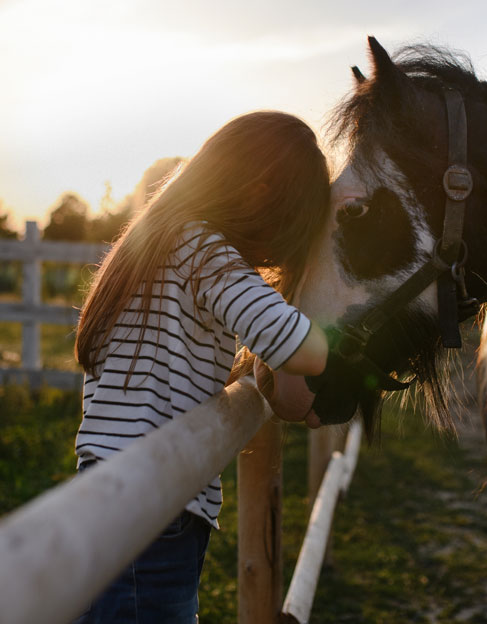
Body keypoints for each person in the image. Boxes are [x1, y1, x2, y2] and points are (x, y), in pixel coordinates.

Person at [72, 111, 330, 623]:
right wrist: (318, 325)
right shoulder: (205, 249)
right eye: (289, 229)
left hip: (99, 493)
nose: (277, 254)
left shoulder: (150, 244)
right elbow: (304, 348)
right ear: (258, 195)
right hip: (156, 508)